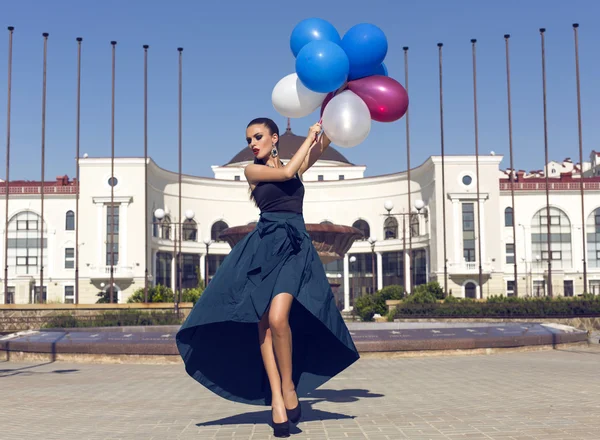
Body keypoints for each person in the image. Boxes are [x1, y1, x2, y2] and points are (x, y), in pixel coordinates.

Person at [176, 117, 359, 438]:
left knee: (277, 319)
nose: (252, 143)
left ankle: (289, 384)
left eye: (258, 136)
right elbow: (287, 173)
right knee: (262, 322)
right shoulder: (252, 171)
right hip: (264, 248)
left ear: (274, 138)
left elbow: (326, 140)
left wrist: (332, 110)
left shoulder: (297, 164)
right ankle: (278, 397)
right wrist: (309, 138)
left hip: (294, 247)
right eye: (249, 139)